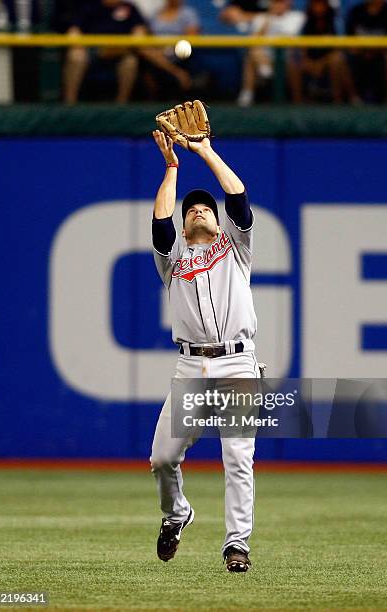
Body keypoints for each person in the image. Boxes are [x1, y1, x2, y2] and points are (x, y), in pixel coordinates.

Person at [150, 124, 260, 573]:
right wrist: (173, 166)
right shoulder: (173, 260)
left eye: (204, 209)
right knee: (162, 459)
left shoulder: (236, 248)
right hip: (191, 367)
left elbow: (237, 197)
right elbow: (160, 224)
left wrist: (207, 152)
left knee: (237, 457)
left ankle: (237, 544)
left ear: (218, 222)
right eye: (191, 209)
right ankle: (177, 513)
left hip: (237, 361)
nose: (197, 211)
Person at [64, 0, 191, 104]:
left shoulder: (129, 8)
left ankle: (121, 105)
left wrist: (119, 47)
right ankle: (70, 104)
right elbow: (73, 33)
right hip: (91, 51)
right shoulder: (88, 6)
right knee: (76, 56)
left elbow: (139, 36)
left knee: (130, 61)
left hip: (122, 52)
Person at [237, 0, 305, 106]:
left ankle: (297, 100)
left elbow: (294, 40)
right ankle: (248, 94)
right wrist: (268, 19)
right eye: (275, 2)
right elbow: (253, 40)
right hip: (264, 57)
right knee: (252, 54)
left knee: (293, 60)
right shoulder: (261, 18)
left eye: (281, 2)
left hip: (287, 58)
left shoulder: (297, 17)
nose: (278, 5)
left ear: (288, 3)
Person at [295, 0, 358, 103]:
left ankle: (339, 99)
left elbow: (339, 48)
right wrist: (307, 61)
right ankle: (297, 101)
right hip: (312, 61)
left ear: (326, 6)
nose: (318, 8)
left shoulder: (335, 22)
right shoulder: (307, 23)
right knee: (294, 63)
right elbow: (302, 47)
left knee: (337, 60)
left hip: (329, 60)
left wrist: (321, 63)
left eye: (321, 5)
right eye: (315, 5)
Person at [345, 0, 387, 103]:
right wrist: (363, 50)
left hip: (383, 55)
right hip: (361, 55)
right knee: (341, 58)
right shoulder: (356, 11)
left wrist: (375, 50)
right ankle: (354, 100)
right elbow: (349, 41)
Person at [143, 0, 200, 100]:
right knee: (145, 52)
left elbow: (191, 37)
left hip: (178, 55)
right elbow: (148, 36)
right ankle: (177, 73)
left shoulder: (188, 13)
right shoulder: (156, 13)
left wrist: (168, 50)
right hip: (156, 54)